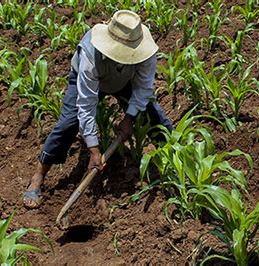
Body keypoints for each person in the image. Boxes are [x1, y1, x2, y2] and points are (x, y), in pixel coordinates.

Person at [23, 10, 174, 209]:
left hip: (125, 82)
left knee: (156, 119)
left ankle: (177, 166)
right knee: (68, 123)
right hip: (93, 80)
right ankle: (38, 176)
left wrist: (129, 118)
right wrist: (94, 149)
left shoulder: (145, 52)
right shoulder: (90, 54)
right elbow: (86, 105)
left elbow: (144, 88)